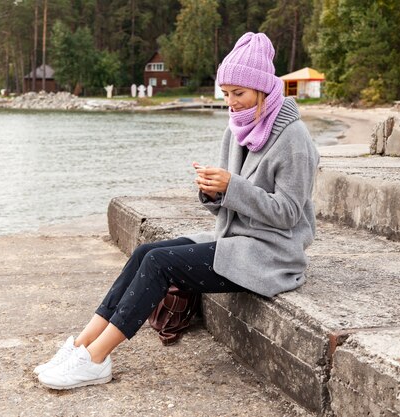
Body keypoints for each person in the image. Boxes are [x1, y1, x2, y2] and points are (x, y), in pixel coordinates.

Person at [35, 32, 320, 390]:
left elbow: (289, 214)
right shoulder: (238, 129)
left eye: (239, 94)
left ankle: (96, 360)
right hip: (236, 239)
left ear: (264, 89)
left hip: (272, 255)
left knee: (160, 264)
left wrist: (232, 187)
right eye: (226, 93)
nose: (231, 103)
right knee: (145, 252)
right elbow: (231, 203)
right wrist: (213, 193)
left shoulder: (294, 139)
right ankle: (81, 345)